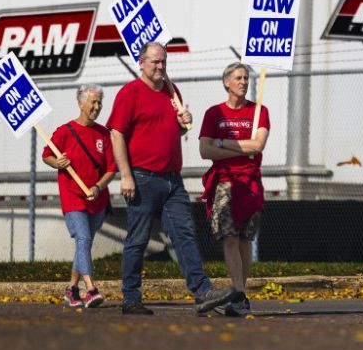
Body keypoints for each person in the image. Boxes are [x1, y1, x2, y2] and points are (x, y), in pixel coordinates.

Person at [106, 41, 236, 315]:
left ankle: (203, 292)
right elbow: (116, 134)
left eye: (163, 62)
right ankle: (131, 298)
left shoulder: (170, 90)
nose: (160, 66)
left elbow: (170, 131)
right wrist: (126, 175)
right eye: (155, 62)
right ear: (141, 63)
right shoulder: (130, 93)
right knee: (138, 239)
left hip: (171, 180)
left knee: (184, 234)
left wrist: (181, 122)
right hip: (142, 178)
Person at [199, 62, 269, 317]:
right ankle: (239, 294)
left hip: (250, 184)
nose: (243, 82)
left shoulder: (259, 111)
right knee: (228, 237)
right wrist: (241, 146)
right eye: (238, 78)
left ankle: (241, 292)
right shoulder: (214, 114)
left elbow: (257, 145)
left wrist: (223, 142)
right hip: (225, 183)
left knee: (244, 239)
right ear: (226, 82)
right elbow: (205, 150)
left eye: (246, 78)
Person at [42, 84, 116, 309]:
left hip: (97, 200)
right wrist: (58, 162)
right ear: (80, 103)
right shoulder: (64, 131)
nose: (96, 107)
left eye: (99, 102)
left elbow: (111, 169)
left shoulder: (104, 134)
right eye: (93, 102)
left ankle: (72, 290)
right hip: (73, 197)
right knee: (83, 239)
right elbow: (47, 156)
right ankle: (90, 289)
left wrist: (98, 188)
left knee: (84, 244)